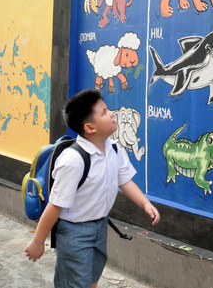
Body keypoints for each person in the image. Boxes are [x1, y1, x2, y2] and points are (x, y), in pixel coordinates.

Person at [25, 89, 160, 288]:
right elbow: (54, 206)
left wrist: (145, 203)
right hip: (74, 232)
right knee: (74, 282)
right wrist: (38, 241)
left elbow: (125, 181)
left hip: (99, 226)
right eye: (104, 112)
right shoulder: (73, 160)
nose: (112, 113)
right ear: (89, 127)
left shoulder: (114, 148)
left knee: (91, 279)